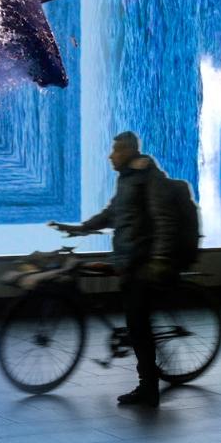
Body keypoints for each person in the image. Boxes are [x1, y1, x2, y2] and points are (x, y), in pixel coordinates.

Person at [51, 131, 178, 407]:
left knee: (139, 327)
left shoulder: (148, 177)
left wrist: (159, 259)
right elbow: (112, 214)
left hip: (143, 263)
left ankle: (149, 388)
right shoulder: (127, 179)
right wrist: (81, 228)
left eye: (117, 150)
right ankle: (148, 382)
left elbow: (164, 219)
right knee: (136, 324)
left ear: (130, 151)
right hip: (128, 262)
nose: (111, 156)